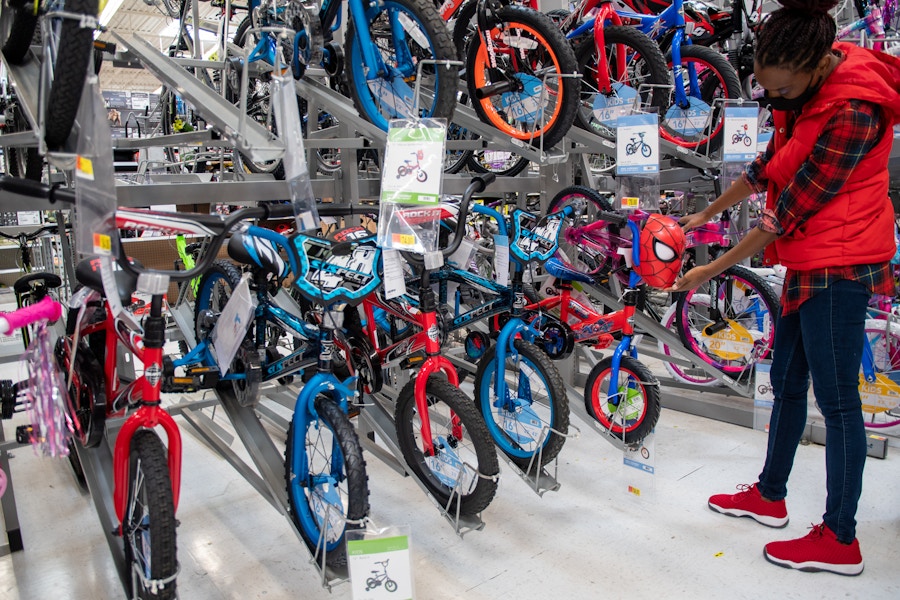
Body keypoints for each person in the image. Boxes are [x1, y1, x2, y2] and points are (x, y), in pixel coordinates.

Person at [671, 0, 900, 576]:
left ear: (818, 67)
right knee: (787, 381)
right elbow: (765, 169)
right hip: (809, 260)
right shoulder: (806, 96)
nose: (772, 101)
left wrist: (708, 269)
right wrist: (704, 216)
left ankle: (841, 540)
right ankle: (770, 496)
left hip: (840, 267)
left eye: (780, 91)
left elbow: (784, 215)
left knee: (840, 403)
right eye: (765, 92)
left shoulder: (853, 112)